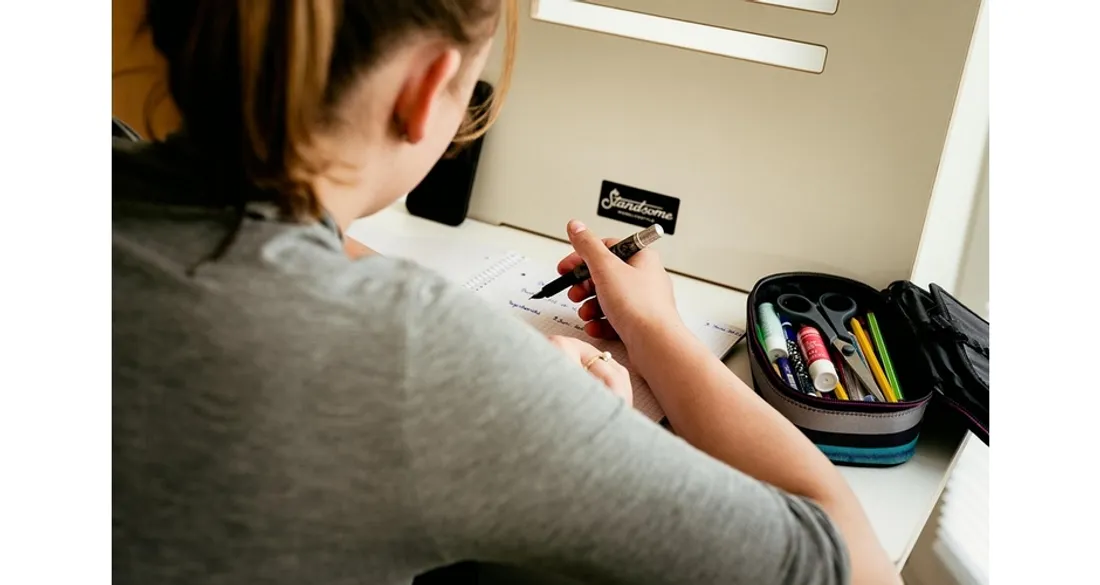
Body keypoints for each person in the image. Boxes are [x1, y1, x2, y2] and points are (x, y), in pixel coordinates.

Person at [112, 1, 899, 584]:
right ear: (428, 90)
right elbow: (855, 567)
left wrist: (502, 381)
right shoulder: (411, 359)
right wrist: (657, 335)